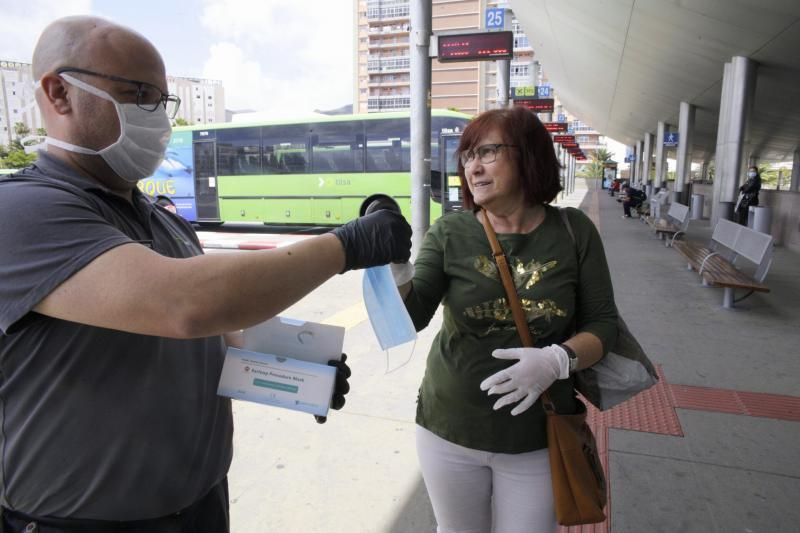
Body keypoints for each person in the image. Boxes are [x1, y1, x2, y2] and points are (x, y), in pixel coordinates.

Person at [0, 16, 411, 532]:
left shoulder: (162, 222)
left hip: (200, 503)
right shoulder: (22, 213)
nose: (158, 117)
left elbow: (217, 334)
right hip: (82, 522)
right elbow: (187, 305)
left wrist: (298, 371)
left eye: (162, 101)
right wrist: (346, 246)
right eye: (138, 95)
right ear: (59, 93)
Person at [390, 106, 618, 533]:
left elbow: (603, 324)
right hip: (448, 426)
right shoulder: (450, 232)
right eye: (468, 155)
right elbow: (411, 318)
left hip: (537, 436)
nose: (473, 166)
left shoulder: (573, 231)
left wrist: (557, 360)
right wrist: (395, 267)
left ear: (529, 155)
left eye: (488, 151)